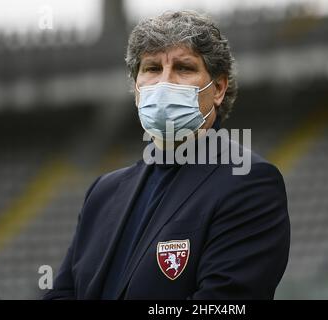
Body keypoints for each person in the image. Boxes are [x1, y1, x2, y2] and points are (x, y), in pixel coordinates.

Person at [43, 10, 290, 300]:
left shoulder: (249, 183)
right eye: (151, 68)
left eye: (183, 68)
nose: (164, 83)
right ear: (136, 89)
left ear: (218, 88)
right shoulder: (102, 193)